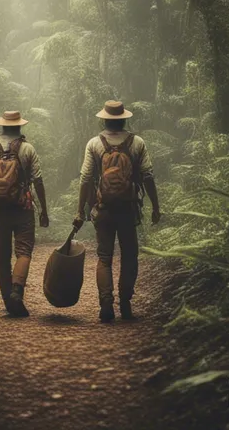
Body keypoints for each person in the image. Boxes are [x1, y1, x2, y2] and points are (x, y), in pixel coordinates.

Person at [73, 100, 161, 322]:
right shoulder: (136, 143)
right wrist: (156, 207)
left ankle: (105, 304)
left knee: (104, 257)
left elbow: (85, 179)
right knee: (130, 255)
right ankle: (125, 303)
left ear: (104, 119)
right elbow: (148, 176)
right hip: (128, 210)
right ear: (124, 119)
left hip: (103, 209)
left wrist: (80, 210)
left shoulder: (95, 144)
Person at [0, 110, 49, 317]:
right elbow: (38, 181)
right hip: (23, 209)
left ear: (2, 126)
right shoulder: (28, 149)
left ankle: (7, 301)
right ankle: (17, 291)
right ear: (19, 126)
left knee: (2, 256)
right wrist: (44, 211)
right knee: (24, 251)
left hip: (1, 210)